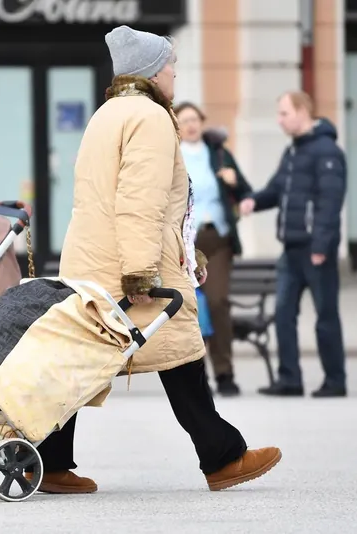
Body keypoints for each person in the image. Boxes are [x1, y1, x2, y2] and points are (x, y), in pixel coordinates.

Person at [33, 25, 282, 494]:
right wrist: (141, 272)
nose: (175, 73)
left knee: (81, 362)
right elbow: (140, 201)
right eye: (170, 65)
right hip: (128, 263)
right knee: (180, 355)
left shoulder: (107, 113)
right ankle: (223, 458)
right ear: (151, 72)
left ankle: (47, 461)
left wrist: (188, 251)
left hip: (93, 260)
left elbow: (142, 202)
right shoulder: (149, 117)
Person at [239, 91, 348, 398]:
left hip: (316, 251)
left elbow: (330, 203)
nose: (279, 120)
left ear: (302, 111)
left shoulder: (327, 152)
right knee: (284, 315)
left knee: (326, 317)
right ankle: (290, 380)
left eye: (284, 113)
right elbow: (276, 190)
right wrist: (253, 201)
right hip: (291, 249)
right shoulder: (293, 151)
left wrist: (321, 245)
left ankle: (335, 381)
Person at [176, 101, 253, 396]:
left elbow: (244, 190)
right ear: (177, 126)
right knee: (192, 308)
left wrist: (235, 184)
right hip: (186, 242)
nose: (191, 125)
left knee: (218, 302)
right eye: (184, 120)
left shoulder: (218, 154)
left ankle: (225, 373)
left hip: (217, 238)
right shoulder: (173, 155)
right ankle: (197, 378)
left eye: (195, 119)